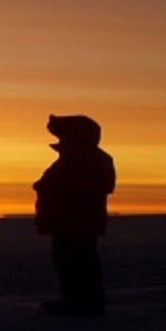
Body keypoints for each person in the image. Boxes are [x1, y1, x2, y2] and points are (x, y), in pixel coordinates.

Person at [33, 114, 115, 315]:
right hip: (68, 219)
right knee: (69, 260)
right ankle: (77, 300)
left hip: (76, 220)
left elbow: (95, 186)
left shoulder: (85, 159)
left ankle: (83, 303)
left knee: (78, 260)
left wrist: (50, 188)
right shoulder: (76, 158)